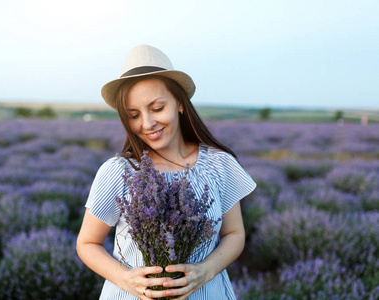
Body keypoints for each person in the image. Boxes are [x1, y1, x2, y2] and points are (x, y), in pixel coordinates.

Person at [76, 45, 256, 299]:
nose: (147, 123)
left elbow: (234, 234)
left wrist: (205, 271)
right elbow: (87, 243)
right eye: (134, 115)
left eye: (157, 108)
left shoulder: (218, 164)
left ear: (180, 103)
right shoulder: (119, 171)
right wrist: (125, 279)